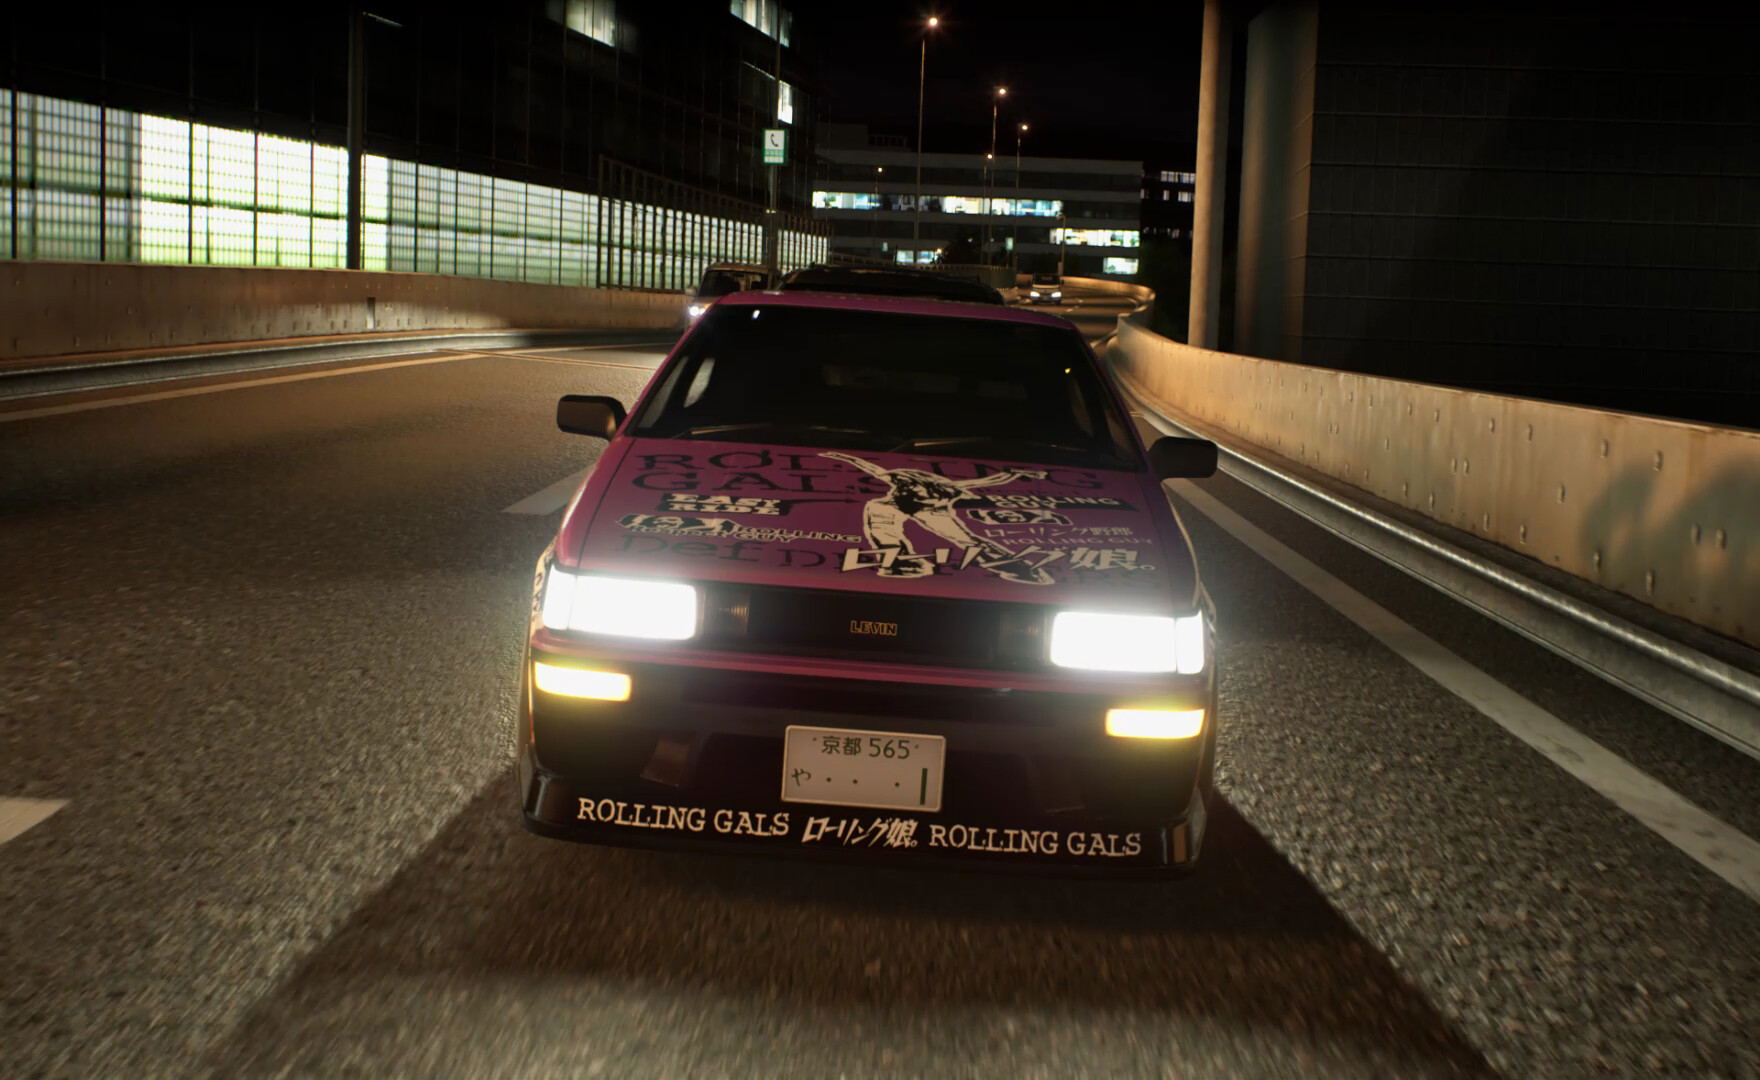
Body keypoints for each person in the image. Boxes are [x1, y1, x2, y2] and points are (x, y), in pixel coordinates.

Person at [821, 452, 1055, 585]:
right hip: (895, 507)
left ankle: (1015, 566)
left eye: (911, 488)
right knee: (879, 513)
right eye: (903, 487)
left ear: (928, 488)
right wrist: (840, 455)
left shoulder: (944, 489)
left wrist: (1012, 474)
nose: (904, 489)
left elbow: (985, 482)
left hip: (931, 511)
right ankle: (898, 559)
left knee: (968, 540)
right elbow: (870, 467)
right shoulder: (900, 486)